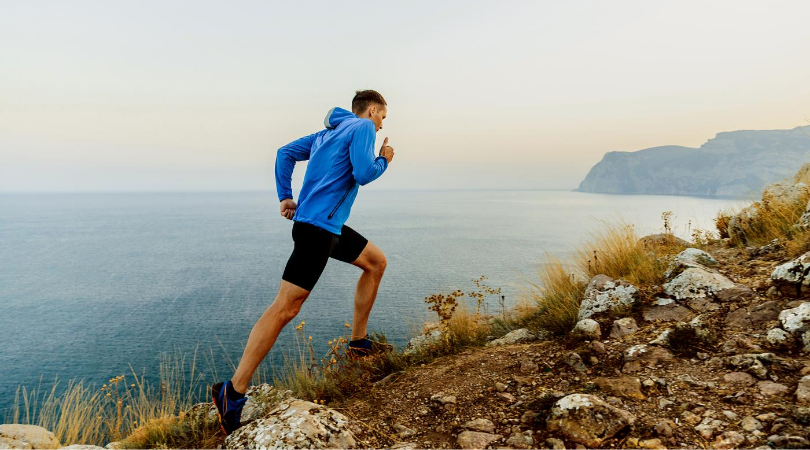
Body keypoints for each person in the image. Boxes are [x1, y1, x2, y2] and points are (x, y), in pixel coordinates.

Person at [211, 89, 395, 435]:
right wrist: (384, 157)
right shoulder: (363, 128)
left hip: (326, 226)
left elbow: (284, 153)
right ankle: (232, 392)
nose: (383, 122)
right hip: (317, 231)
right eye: (383, 115)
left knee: (376, 262)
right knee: (285, 309)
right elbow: (364, 174)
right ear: (372, 110)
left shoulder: (326, 133)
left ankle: (358, 343)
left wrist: (285, 195)